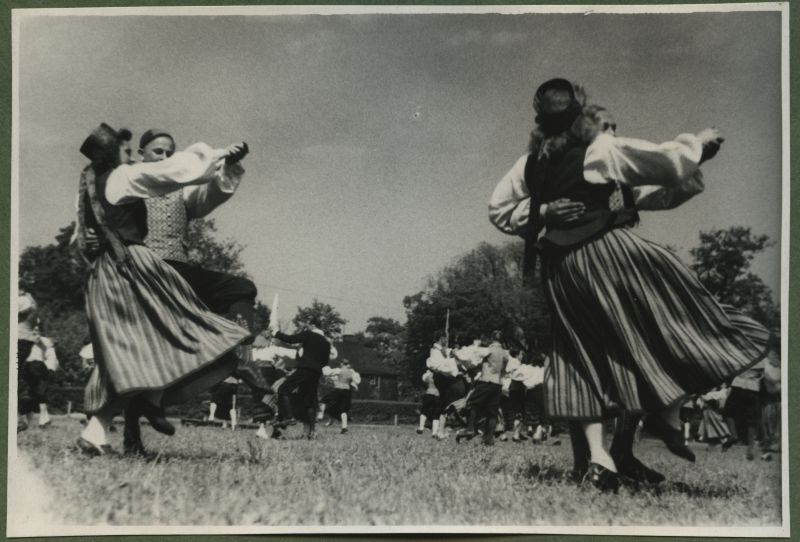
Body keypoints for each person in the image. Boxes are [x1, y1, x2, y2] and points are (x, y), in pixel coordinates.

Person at [489, 78, 769, 491]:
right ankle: (660, 414)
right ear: (585, 114)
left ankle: (603, 460)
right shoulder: (599, 149)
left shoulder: (532, 161)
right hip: (605, 256)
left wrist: (544, 211)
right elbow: (663, 163)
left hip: (561, 270)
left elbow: (500, 209)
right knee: (653, 331)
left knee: (580, 358)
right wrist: (698, 147)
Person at [75, 123, 251, 455]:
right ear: (117, 154)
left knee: (127, 354)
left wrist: (222, 168)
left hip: (104, 276)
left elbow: (85, 239)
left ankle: (96, 433)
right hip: (131, 269)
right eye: (126, 151)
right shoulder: (123, 176)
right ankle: (153, 400)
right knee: (174, 331)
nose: (129, 157)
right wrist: (218, 155)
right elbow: (175, 169)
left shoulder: (91, 185)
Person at [271, 321, 336, 439]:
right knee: (309, 401)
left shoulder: (308, 334)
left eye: (308, 325)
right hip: (316, 372)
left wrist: (277, 333)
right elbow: (324, 362)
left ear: (313, 325)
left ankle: (290, 417)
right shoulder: (326, 343)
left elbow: (290, 339)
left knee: (283, 389)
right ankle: (311, 432)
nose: (307, 327)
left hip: (305, 368)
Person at [455, 331, 508, 446]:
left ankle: (470, 428)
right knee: (492, 412)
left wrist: (457, 355)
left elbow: (472, 360)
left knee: (470, 404)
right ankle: (488, 438)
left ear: (491, 338)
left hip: (486, 381)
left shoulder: (487, 350)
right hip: (497, 384)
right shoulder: (505, 353)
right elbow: (505, 370)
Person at [318, 359, 361, 434]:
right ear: (348, 364)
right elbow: (357, 381)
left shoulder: (339, 370)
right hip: (347, 391)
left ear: (341, 364)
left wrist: (324, 367)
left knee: (323, 400)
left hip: (339, 390)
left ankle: (320, 415)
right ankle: (344, 426)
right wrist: (354, 386)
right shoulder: (352, 372)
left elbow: (327, 372)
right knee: (343, 410)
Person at [416, 369, 442, 436]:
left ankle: (421, 427)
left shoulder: (428, 375)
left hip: (429, 393)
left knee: (424, 411)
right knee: (436, 414)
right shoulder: (442, 376)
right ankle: (434, 432)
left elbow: (424, 381)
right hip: (437, 395)